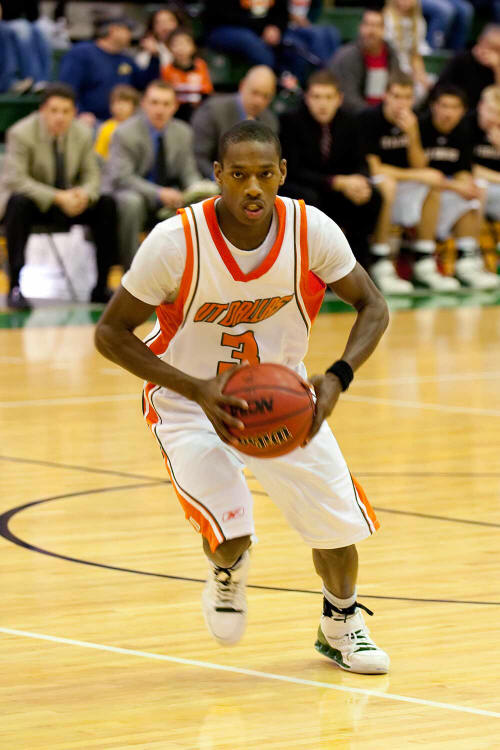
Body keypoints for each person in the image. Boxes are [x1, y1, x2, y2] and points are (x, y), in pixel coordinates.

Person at [94, 119, 390, 675]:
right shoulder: (176, 241)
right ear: (217, 175)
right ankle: (227, 570)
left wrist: (336, 377)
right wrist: (195, 389)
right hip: (187, 400)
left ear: (282, 173)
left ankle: (341, 624)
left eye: (263, 174)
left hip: (283, 397)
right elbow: (110, 333)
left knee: (336, 528)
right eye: (238, 175)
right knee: (231, 535)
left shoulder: (312, 231)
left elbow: (373, 305)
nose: (252, 187)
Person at [0, 83, 117, 310]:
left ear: (74, 112)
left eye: (66, 111)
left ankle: (101, 286)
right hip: (37, 204)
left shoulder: (83, 133)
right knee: (17, 203)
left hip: (70, 202)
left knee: (106, 204)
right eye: (54, 111)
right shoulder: (20, 133)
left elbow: (92, 174)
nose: (60, 117)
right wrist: (57, 197)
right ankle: (15, 286)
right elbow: (17, 180)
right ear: (42, 110)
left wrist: (83, 194)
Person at [359, 73, 460, 292]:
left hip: (401, 182)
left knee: (433, 184)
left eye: (407, 97)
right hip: (372, 184)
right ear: (386, 96)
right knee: (388, 184)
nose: (401, 103)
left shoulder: (415, 121)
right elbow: (375, 168)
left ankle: (424, 261)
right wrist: (418, 176)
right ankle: (380, 261)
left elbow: (419, 164)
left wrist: (413, 134)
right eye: (396, 96)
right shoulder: (369, 119)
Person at [104, 80, 217, 268]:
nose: (160, 110)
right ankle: (132, 269)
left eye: (166, 104)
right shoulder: (124, 132)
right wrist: (159, 193)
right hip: (131, 192)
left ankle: (190, 269)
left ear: (175, 106)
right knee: (132, 202)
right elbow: (122, 177)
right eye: (154, 103)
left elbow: (188, 172)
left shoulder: (183, 132)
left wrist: (198, 190)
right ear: (144, 104)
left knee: (203, 203)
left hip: (169, 195)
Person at [280, 69, 383, 272]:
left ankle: (358, 266)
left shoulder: (351, 122)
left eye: (329, 97)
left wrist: (360, 182)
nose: (323, 104)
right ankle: (312, 269)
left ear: (339, 99)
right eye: (317, 97)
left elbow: (361, 162)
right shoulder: (290, 121)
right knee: (310, 200)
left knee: (373, 196)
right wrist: (336, 182)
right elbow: (293, 170)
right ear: (307, 98)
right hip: (304, 186)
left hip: (339, 189)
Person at [419, 85, 500, 288]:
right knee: (445, 189)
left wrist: (466, 184)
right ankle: (424, 262)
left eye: (454, 107)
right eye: (491, 111)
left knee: (474, 191)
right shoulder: (423, 127)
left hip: (452, 187)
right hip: (422, 188)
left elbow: (464, 169)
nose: (494, 118)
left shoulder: (460, 130)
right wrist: (459, 185)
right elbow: (423, 171)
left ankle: (467, 261)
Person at [58, 15, 160, 124]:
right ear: (113, 30)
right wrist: (80, 112)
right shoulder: (82, 53)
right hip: (90, 121)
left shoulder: (126, 59)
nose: (130, 35)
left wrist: (154, 57)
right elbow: (66, 88)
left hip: (121, 121)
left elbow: (144, 84)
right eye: (127, 30)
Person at [191, 65, 278, 179]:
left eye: (266, 96)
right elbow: (198, 157)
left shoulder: (270, 122)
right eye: (255, 93)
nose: (258, 101)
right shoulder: (213, 110)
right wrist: (222, 179)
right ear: (242, 86)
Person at [328, 9, 403, 115]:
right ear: (360, 27)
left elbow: (397, 87)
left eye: (376, 26)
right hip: (356, 116)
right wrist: (372, 115)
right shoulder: (347, 56)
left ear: (384, 29)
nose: (371, 31)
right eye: (367, 25)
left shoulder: (391, 54)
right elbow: (348, 98)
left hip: (384, 113)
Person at [433, 24, 500, 111]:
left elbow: (497, 98)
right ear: (480, 41)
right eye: (488, 45)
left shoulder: (496, 67)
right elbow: (440, 89)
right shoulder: (461, 59)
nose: (490, 52)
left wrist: (497, 68)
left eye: (496, 49)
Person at [161, 27, 213, 122]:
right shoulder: (167, 70)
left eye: (185, 43)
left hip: (198, 112)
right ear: (169, 47)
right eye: (176, 44)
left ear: (193, 47)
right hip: (176, 114)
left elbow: (207, 92)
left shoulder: (201, 66)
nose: (180, 48)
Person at [383, 0, 432, 99]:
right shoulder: (386, 19)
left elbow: (415, 56)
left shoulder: (419, 22)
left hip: (408, 68)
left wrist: (421, 76)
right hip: (389, 66)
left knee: (425, 87)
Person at [470, 85, 500, 226]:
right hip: (474, 185)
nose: (494, 118)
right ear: (480, 106)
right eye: (491, 111)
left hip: (495, 188)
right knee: (480, 187)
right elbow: (468, 168)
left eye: (499, 113)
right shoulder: (467, 125)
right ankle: (472, 236)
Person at [94, 84, 140, 161]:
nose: (121, 107)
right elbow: (99, 154)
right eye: (117, 102)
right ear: (111, 106)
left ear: (134, 106)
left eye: (125, 102)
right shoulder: (106, 128)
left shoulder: (139, 127)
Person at [136, 6, 186, 71]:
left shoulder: (188, 47)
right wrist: (155, 55)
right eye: (159, 22)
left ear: (178, 23)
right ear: (153, 28)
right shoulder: (147, 54)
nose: (165, 26)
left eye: (169, 21)